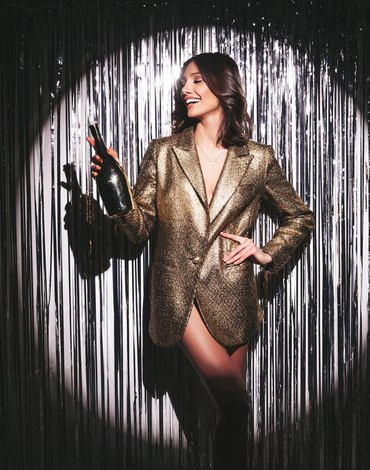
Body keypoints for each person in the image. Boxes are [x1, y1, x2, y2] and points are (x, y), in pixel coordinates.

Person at [88, 52, 314, 469]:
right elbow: (139, 230)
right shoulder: (164, 152)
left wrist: (267, 251)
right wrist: (113, 185)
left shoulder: (258, 159)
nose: (185, 89)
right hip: (179, 294)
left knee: (231, 416)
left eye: (196, 81)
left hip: (235, 293)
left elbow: (300, 215)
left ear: (222, 86)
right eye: (183, 82)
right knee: (237, 405)